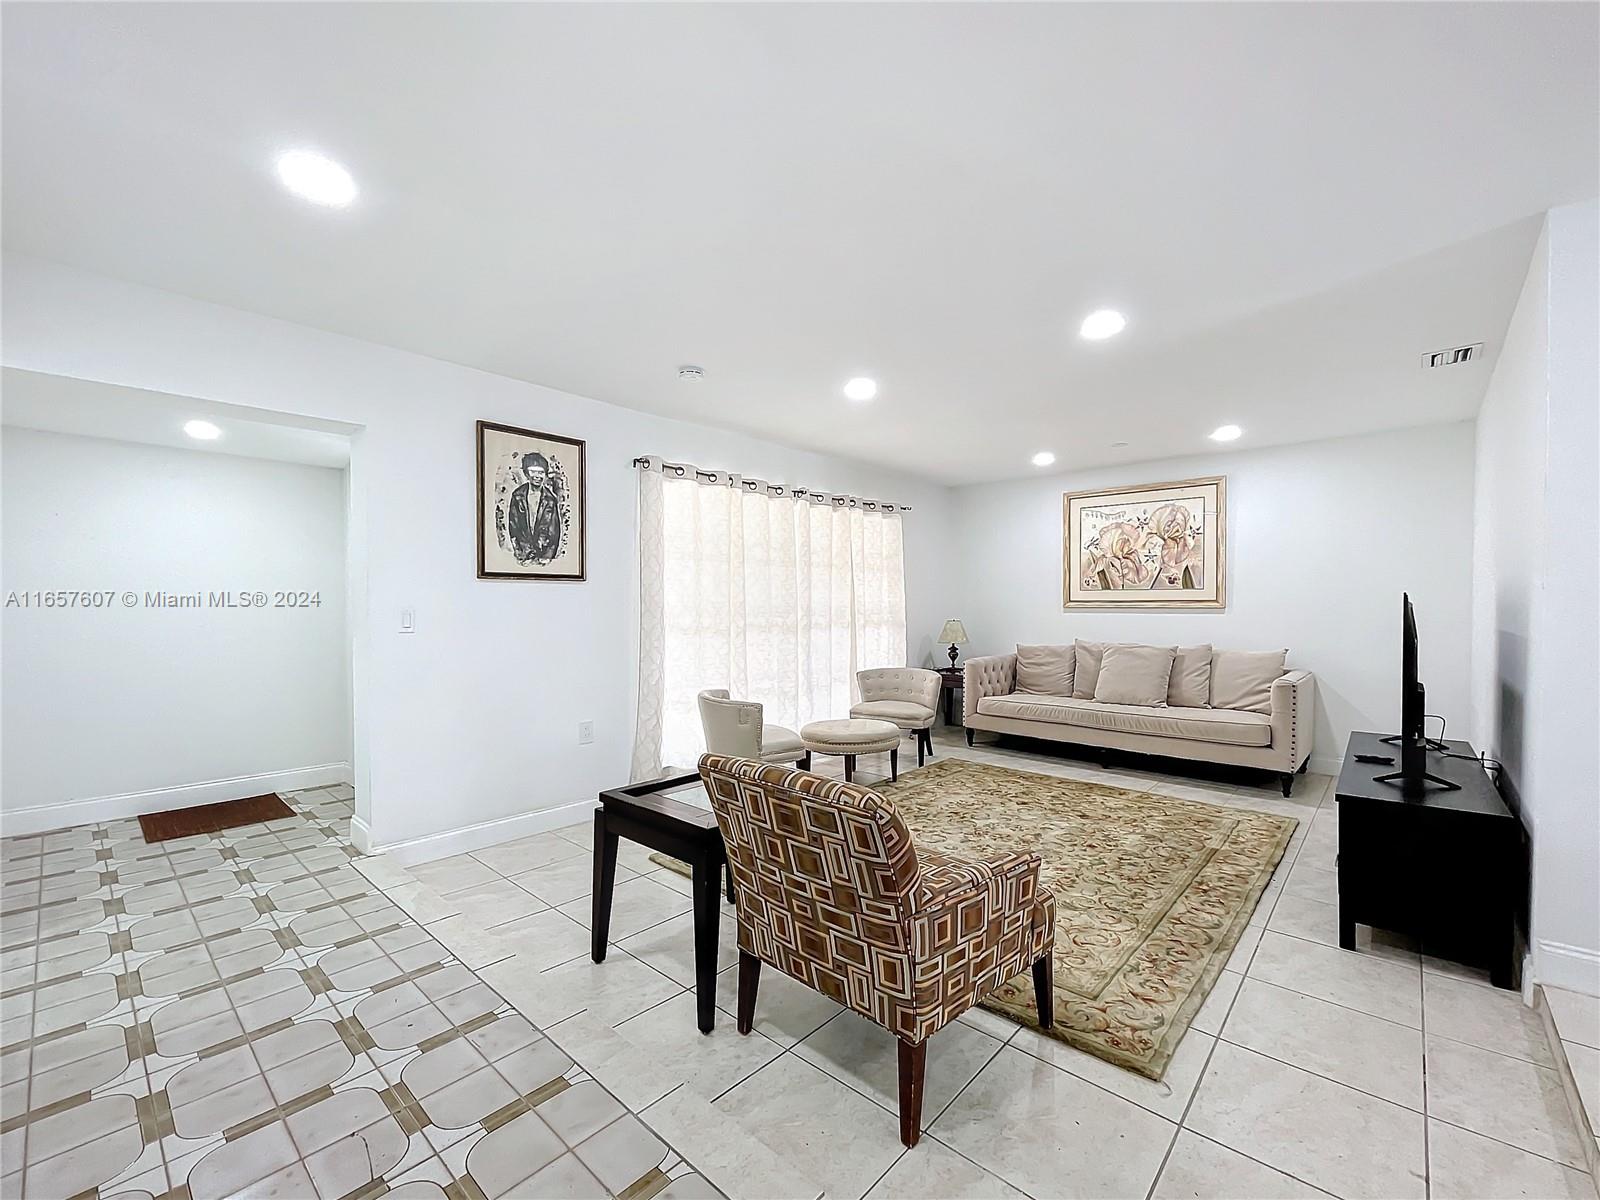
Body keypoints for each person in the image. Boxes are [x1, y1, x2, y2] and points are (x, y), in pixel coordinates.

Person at [507, 451, 563, 564]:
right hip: (524, 555)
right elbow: (513, 527)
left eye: (541, 472)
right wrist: (520, 553)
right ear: (526, 473)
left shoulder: (550, 499)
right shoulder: (517, 496)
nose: (537, 476)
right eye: (533, 472)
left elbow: (554, 531)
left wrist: (548, 556)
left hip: (544, 554)